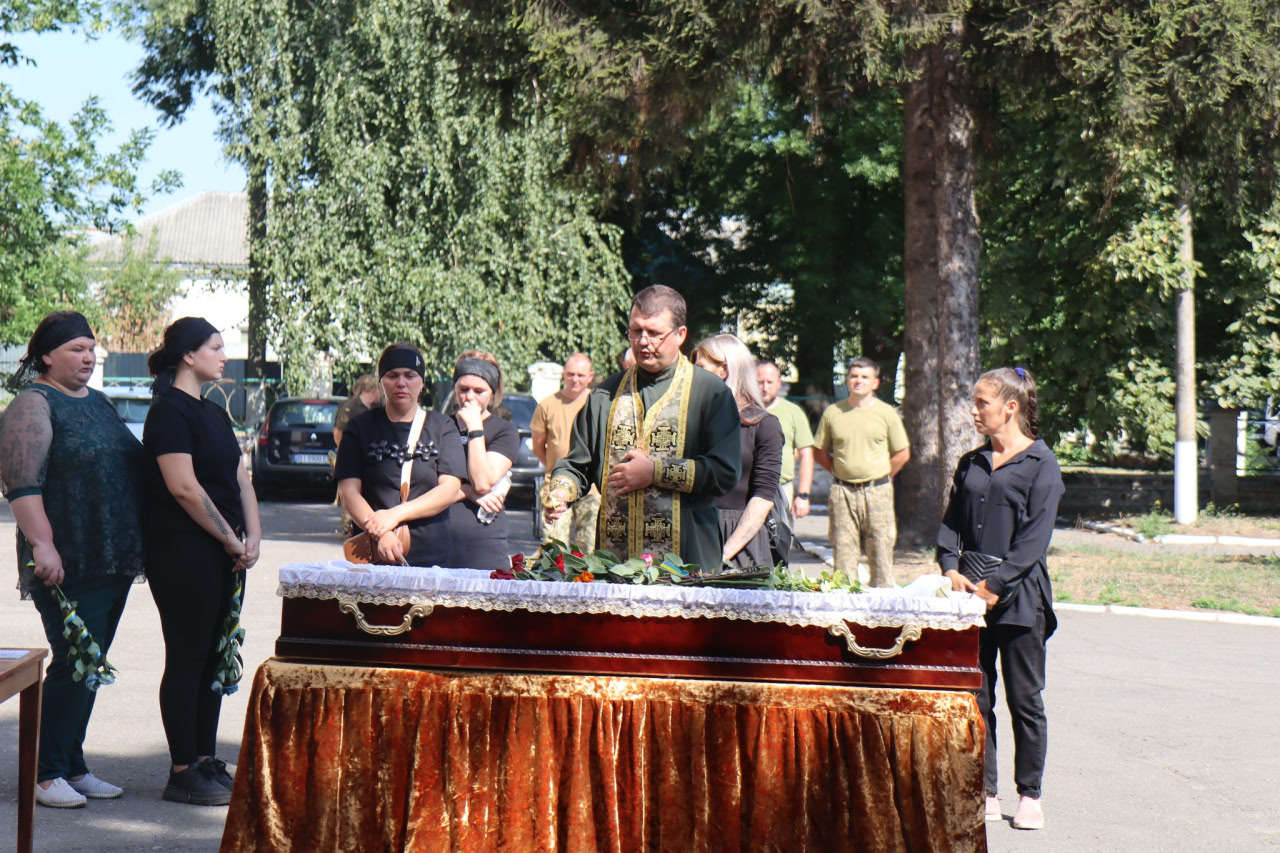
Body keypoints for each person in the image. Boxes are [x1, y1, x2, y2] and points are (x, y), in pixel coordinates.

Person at [0, 311, 145, 808]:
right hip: (66, 558)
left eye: (91, 349)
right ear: (46, 355)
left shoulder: (99, 403)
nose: (88, 358)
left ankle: (72, 765)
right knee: (73, 660)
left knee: (91, 662)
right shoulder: (33, 404)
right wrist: (42, 544)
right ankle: (46, 774)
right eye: (76, 349)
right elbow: (21, 483)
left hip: (110, 554)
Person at [143, 317, 263, 806]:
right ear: (188, 355)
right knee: (188, 657)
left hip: (226, 553)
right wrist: (231, 541)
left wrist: (253, 536)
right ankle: (181, 769)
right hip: (183, 553)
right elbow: (184, 488)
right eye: (216, 347)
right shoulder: (169, 413)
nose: (224, 355)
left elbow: (241, 480)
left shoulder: (213, 413)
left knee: (216, 656)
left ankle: (205, 759)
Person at [937, 367, 1063, 832]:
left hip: (1019, 597)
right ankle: (985, 790)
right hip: (967, 595)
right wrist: (950, 567)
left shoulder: (1041, 464)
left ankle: (1029, 794)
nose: (974, 411)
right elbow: (950, 524)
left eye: (982, 403)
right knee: (977, 696)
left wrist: (995, 587)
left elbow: (1034, 540)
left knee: (1025, 700)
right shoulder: (971, 462)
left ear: (1010, 407)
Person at [546, 285, 741, 569]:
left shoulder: (710, 393)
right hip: (616, 559)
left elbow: (724, 472)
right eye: (635, 331)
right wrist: (562, 491)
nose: (643, 341)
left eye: (654, 333)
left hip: (688, 556)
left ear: (680, 335)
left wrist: (655, 472)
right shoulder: (606, 394)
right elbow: (578, 463)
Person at [335, 343, 466, 567]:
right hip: (374, 553)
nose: (401, 383)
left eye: (410, 375)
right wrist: (380, 533)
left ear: (422, 382)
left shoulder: (442, 426)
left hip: (432, 556)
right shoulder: (360, 427)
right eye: (392, 375)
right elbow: (349, 492)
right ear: (381, 382)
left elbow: (449, 489)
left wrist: (394, 515)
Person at [813, 357, 910, 587]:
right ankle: (844, 615)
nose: (858, 381)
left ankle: (882, 614)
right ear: (847, 380)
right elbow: (819, 452)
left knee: (881, 553)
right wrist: (840, 472)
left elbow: (902, 453)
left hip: (878, 492)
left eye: (864, 377)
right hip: (842, 492)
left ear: (875, 383)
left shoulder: (886, 413)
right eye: (854, 376)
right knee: (843, 556)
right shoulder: (833, 413)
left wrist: (884, 476)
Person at [692, 335, 783, 570]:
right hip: (695, 534)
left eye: (700, 367)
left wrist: (724, 553)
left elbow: (763, 499)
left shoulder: (764, 425)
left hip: (741, 545)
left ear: (724, 369)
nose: (692, 375)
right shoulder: (695, 421)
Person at [444, 354, 520, 569]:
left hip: (483, 541)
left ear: (493, 394)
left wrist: (475, 429)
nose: (469, 397)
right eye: (463, 389)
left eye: (479, 392)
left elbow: (483, 482)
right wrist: (468, 492)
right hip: (438, 538)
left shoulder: (504, 430)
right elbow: (426, 484)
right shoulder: (440, 426)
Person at [531, 353, 599, 550]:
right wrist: (556, 468)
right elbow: (538, 446)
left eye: (580, 375)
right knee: (554, 546)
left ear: (590, 376)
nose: (575, 379)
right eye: (570, 374)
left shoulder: (598, 404)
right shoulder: (548, 404)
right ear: (563, 374)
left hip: (592, 487)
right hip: (556, 485)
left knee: (589, 548)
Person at [757, 359, 816, 519]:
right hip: (750, 488)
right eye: (760, 382)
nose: (765, 387)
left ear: (779, 383)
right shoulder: (743, 410)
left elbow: (806, 455)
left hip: (782, 488)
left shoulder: (793, 412)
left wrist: (803, 495)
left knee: (782, 541)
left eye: (770, 382)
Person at [332, 373, 383, 448]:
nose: (383, 393)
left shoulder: (378, 407)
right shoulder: (350, 407)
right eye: (381, 389)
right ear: (373, 389)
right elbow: (338, 433)